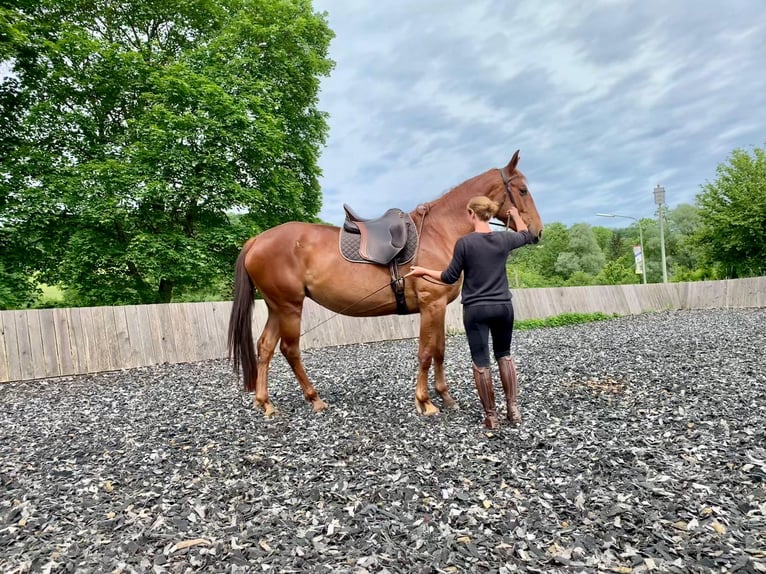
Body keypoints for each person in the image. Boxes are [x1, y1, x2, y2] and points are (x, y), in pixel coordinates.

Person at [408, 196, 534, 429]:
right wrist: (515, 215)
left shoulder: (464, 243)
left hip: (476, 309)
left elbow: (448, 277)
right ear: (489, 214)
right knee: (504, 356)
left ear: (471, 214)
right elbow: (526, 235)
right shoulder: (504, 238)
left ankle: (491, 416)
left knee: (481, 362)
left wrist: (422, 271)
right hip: (503, 307)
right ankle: (513, 410)